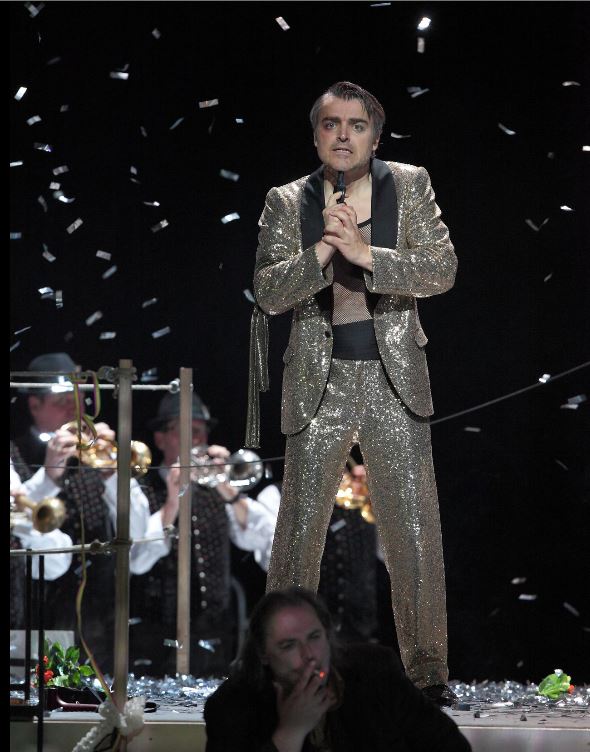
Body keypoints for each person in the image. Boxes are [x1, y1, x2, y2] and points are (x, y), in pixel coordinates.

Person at [246, 81, 457, 704]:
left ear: (376, 135)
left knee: (413, 531)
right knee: (297, 536)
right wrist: (322, 250)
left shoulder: (410, 184)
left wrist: (366, 254)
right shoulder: (288, 200)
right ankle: (277, 667)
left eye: (356, 125)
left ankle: (427, 673)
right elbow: (267, 291)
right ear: (316, 136)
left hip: (394, 379)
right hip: (320, 379)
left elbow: (442, 268)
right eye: (331, 124)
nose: (343, 135)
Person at [11, 352, 170, 672]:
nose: (75, 410)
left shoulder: (98, 455)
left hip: (102, 622)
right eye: (61, 402)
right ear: (34, 406)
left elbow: (138, 534)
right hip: (39, 618)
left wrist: (114, 474)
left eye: (79, 400)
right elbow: (16, 516)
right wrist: (49, 475)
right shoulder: (16, 454)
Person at [204, 587, 471, 752]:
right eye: (288, 645)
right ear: (263, 653)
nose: (309, 655)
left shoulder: (374, 671)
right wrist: (289, 734)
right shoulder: (232, 706)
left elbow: (450, 745)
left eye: (314, 637)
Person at [129, 391, 277, 677]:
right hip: (153, 631)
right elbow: (138, 559)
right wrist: (172, 502)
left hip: (214, 631)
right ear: (160, 439)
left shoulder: (218, 491)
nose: (196, 437)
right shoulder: (143, 489)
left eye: (201, 430)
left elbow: (263, 538)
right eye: (185, 429)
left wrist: (226, 485)